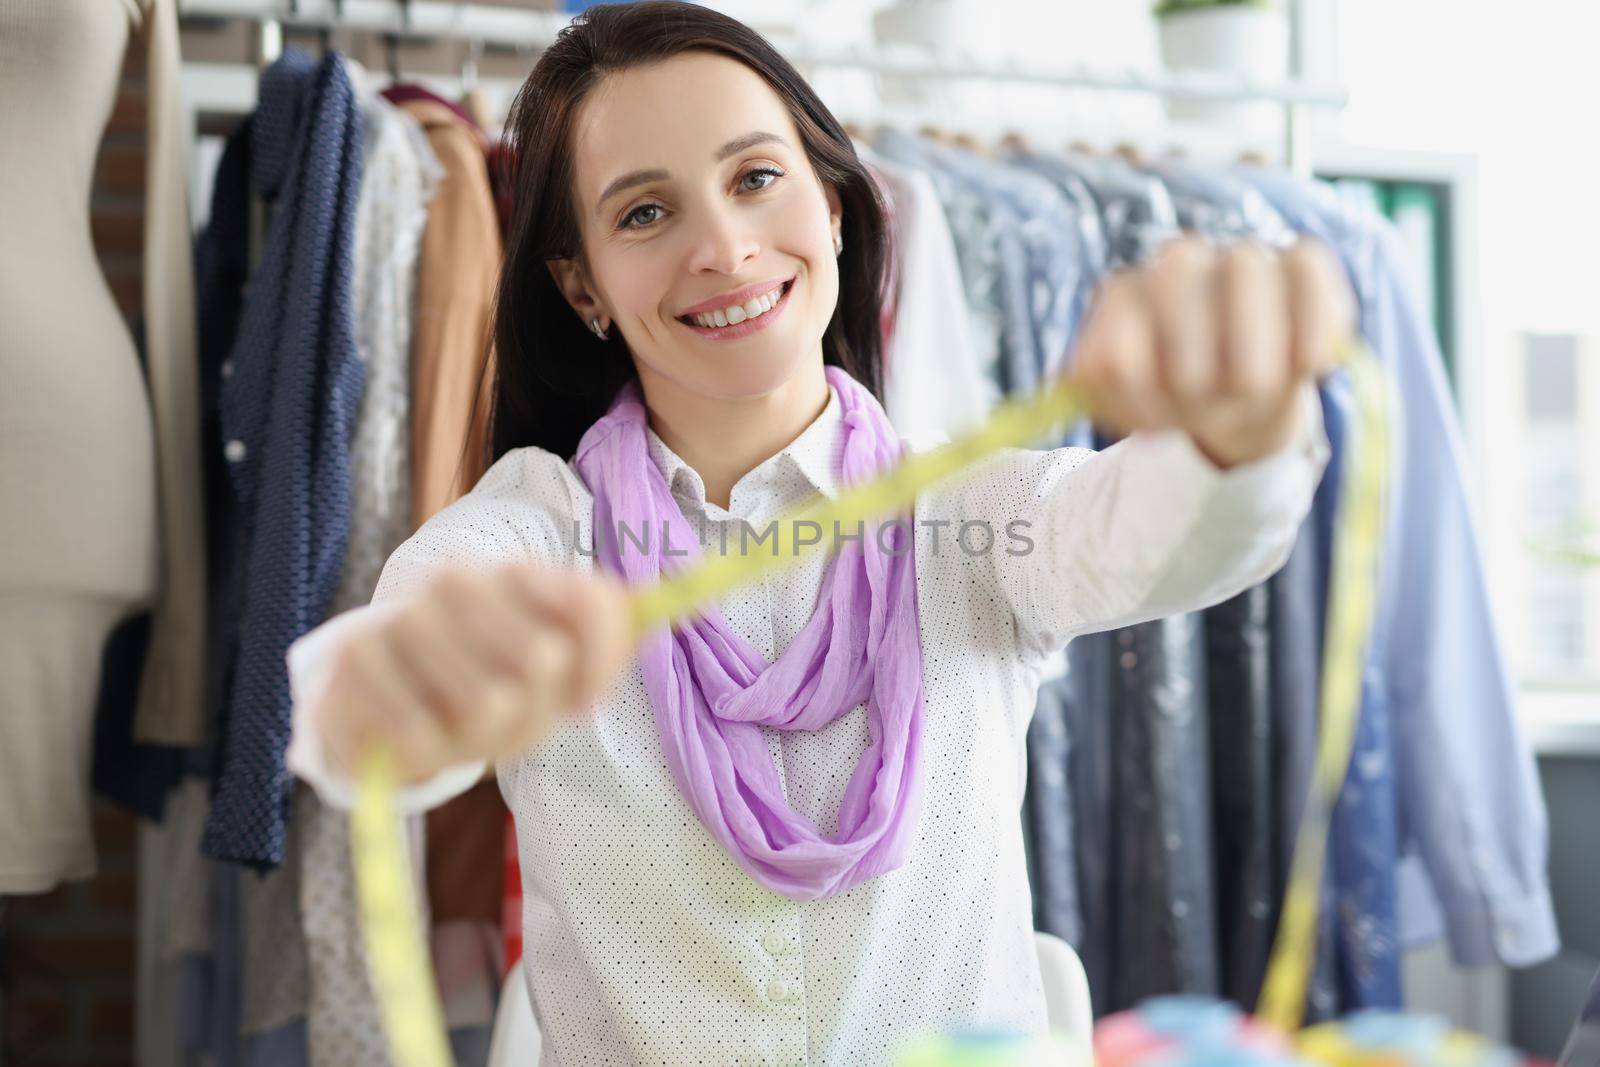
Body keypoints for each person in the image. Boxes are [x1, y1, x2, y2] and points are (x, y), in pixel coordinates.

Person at [287, 2, 1350, 1062]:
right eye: (645, 214)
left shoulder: (972, 516)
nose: (723, 246)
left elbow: (1160, 531)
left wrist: (1238, 437)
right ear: (582, 286)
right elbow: (391, 662)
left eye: (754, 178)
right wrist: (402, 685)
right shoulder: (536, 532)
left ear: (836, 206)